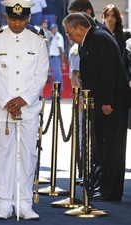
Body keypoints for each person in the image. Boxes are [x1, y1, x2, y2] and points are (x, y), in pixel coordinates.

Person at [0, 0, 49, 220]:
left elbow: (41, 75)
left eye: (22, 19)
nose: (18, 23)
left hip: (28, 109)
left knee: (27, 156)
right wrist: (7, 101)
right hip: (1, 110)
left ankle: (24, 203)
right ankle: (4, 203)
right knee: (2, 156)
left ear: (29, 18)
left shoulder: (38, 41)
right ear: (6, 16)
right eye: (13, 18)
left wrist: (24, 99)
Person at [63, 12, 129, 202]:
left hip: (111, 104)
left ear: (79, 28)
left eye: (69, 32)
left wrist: (107, 102)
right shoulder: (89, 40)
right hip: (99, 103)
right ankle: (101, 184)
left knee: (111, 148)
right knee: (101, 147)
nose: (68, 37)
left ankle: (110, 191)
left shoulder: (99, 38)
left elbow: (108, 73)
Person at [47, 23, 65, 96]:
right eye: (51, 29)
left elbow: (61, 49)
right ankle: (56, 93)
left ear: (57, 29)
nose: (52, 30)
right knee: (56, 76)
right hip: (52, 58)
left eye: (54, 29)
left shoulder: (58, 36)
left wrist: (62, 62)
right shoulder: (53, 36)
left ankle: (57, 93)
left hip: (56, 58)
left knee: (57, 76)